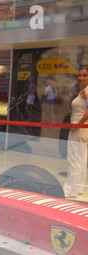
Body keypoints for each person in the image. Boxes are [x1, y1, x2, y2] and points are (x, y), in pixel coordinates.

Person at [63, 65, 88, 198]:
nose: (81, 78)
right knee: (81, 159)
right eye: (80, 75)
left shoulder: (87, 91)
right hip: (81, 130)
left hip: (78, 130)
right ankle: (78, 188)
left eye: (84, 75)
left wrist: (78, 125)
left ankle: (71, 190)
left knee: (74, 159)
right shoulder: (83, 90)